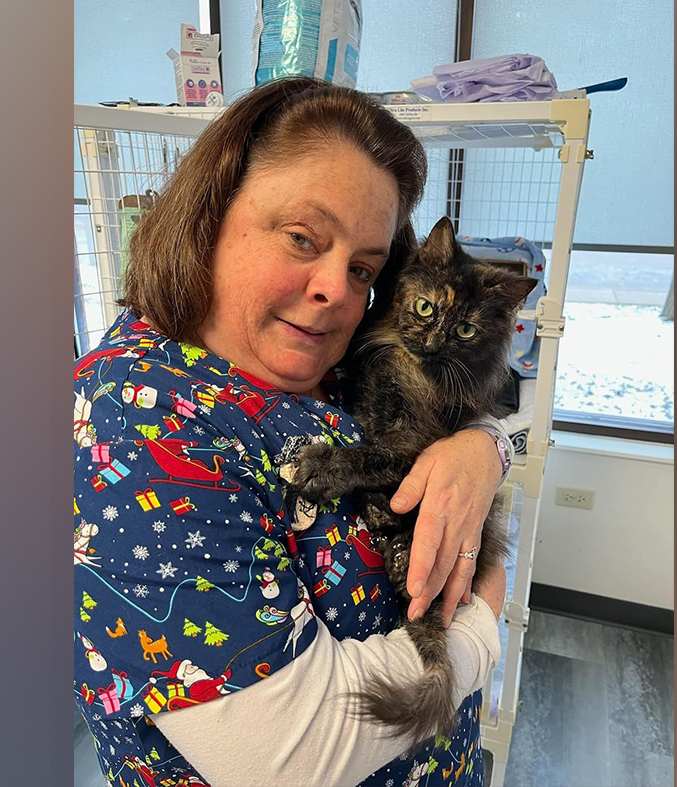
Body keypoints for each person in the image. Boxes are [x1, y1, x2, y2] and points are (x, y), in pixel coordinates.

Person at [74, 76, 514, 787]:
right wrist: (485, 621)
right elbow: (292, 761)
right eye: (303, 238)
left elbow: (449, 419)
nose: (336, 290)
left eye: (363, 268)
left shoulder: (318, 361)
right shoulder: (135, 423)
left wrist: (483, 449)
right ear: (209, 213)